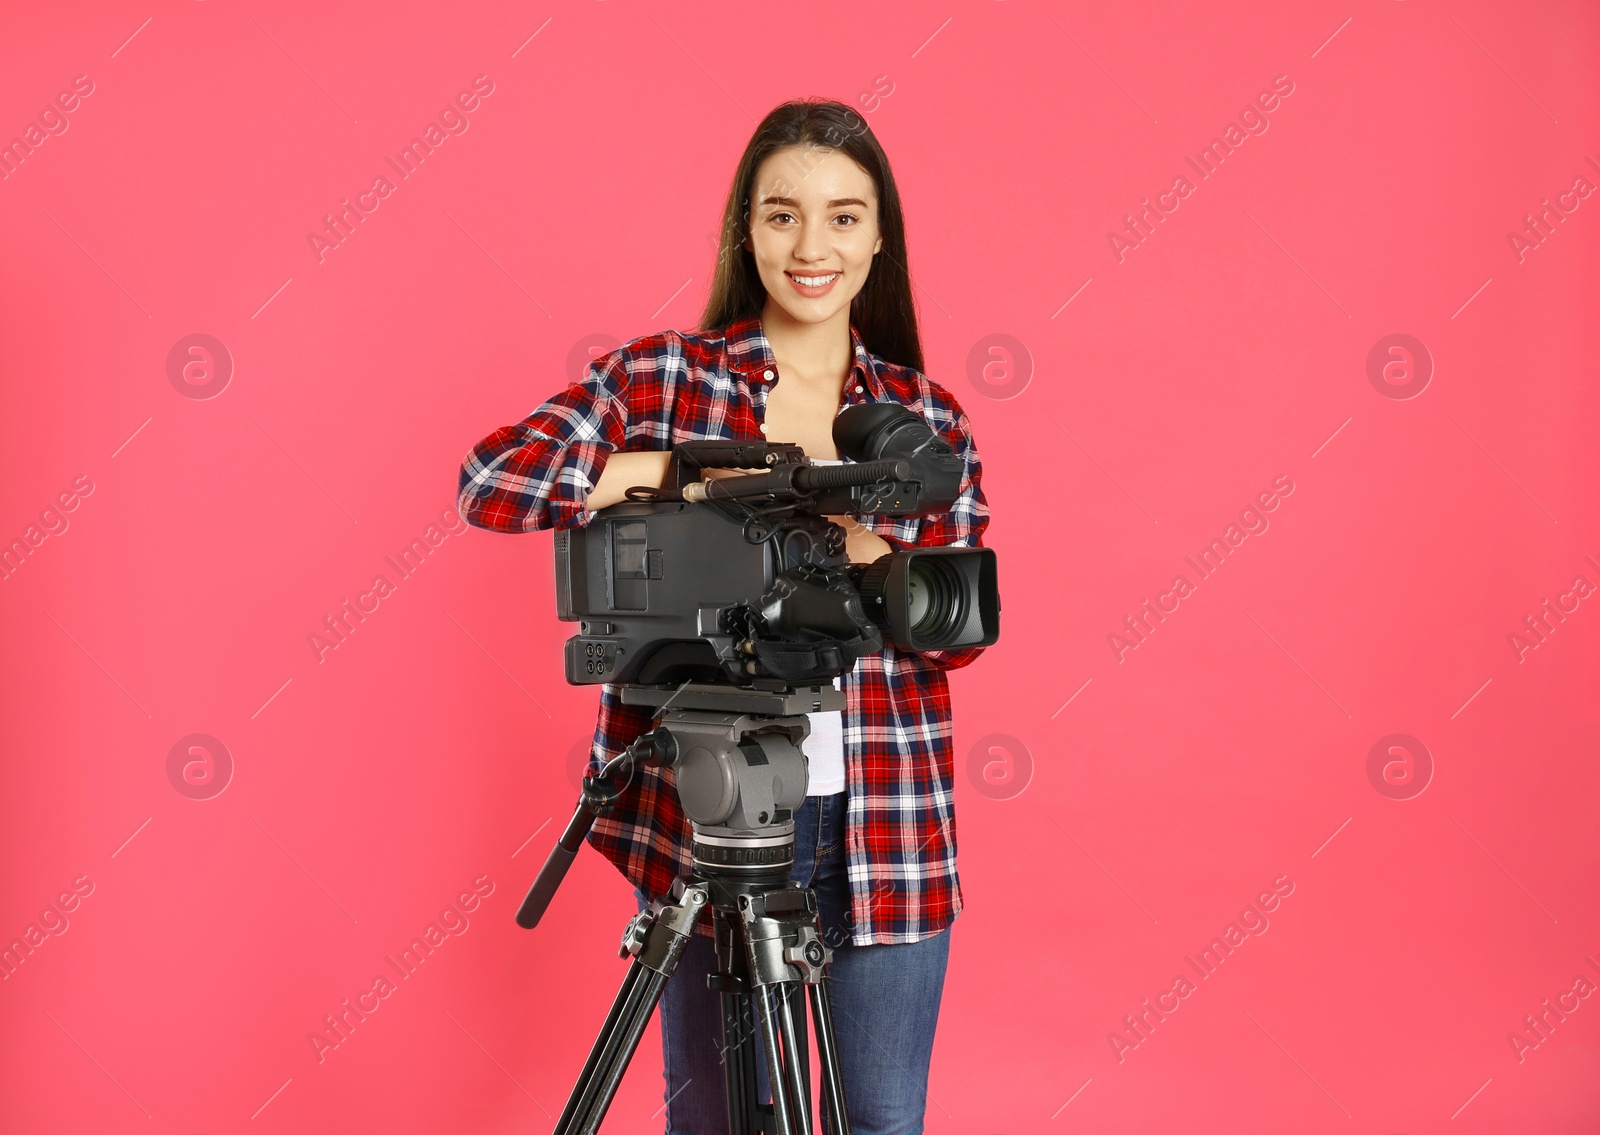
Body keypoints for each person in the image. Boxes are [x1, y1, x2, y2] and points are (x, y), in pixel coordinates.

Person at [457, 98, 990, 1135]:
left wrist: (851, 534)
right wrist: (676, 474)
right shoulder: (665, 377)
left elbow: (951, 631)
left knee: (880, 1119)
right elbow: (492, 481)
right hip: (714, 813)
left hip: (884, 817)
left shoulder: (921, 422)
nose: (811, 245)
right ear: (746, 231)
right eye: (781, 214)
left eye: (843, 216)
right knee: (711, 1121)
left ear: (880, 238)